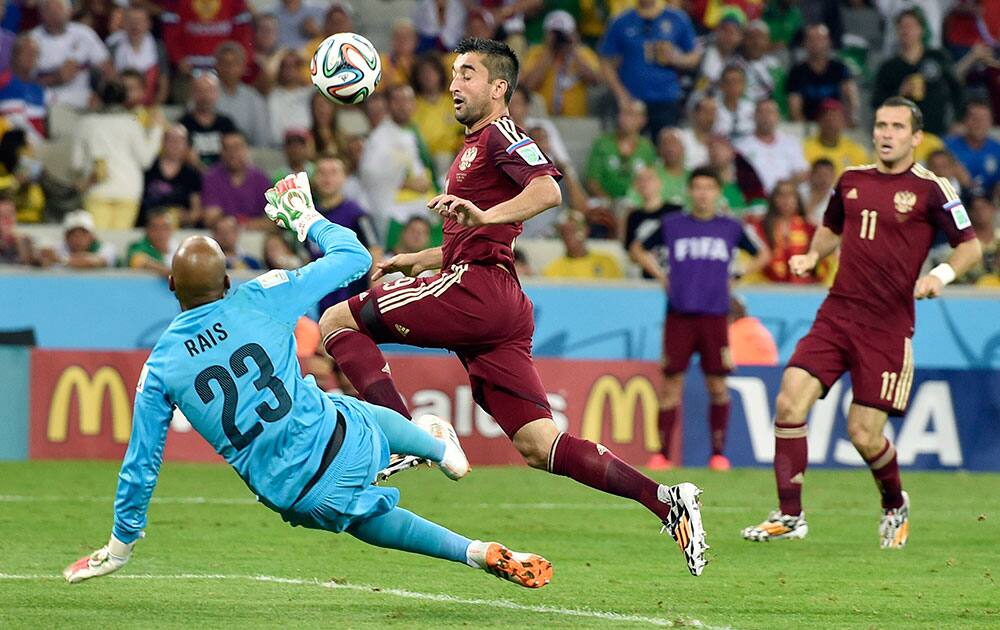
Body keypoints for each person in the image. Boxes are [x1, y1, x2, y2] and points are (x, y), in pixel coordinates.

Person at [319, 37, 707, 576]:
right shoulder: (472, 146)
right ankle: (665, 499)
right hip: (492, 297)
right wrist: (422, 257)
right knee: (539, 444)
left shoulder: (502, 134)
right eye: (454, 74)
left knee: (337, 320)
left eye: (469, 75)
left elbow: (548, 191)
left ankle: (407, 434)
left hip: (477, 291)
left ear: (499, 88)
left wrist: (480, 217)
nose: (455, 85)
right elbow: (477, 233)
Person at [63, 173, 552, 589]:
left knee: (362, 517)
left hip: (296, 495)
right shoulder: (258, 296)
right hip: (340, 438)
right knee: (348, 408)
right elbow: (356, 259)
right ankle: (433, 444)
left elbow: (141, 465)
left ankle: (472, 550)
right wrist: (306, 219)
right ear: (226, 282)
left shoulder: (160, 366)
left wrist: (120, 545)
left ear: (172, 287)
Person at [742, 97, 983, 549]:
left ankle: (894, 502)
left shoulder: (934, 189)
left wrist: (939, 274)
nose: (887, 133)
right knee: (790, 400)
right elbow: (833, 226)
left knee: (863, 434)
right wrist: (815, 254)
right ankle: (789, 515)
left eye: (897, 126)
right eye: (880, 125)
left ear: (915, 137)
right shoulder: (851, 180)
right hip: (837, 313)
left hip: (888, 326)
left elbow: (970, 246)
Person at [632, 167, 770, 472]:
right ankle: (663, 455)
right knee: (671, 384)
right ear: (690, 191)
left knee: (717, 385)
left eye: (709, 187)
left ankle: (718, 454)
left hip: (715, 316)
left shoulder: (731, 227)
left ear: (718, 192)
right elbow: (638, 248)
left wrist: (737, 277)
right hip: (679, 314)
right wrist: (662, 276)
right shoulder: (672, 224)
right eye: (698, 187)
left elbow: (762, 254)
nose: (703, 193)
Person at [599, 0, 702, 139]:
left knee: (665, 148)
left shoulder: (677, 18)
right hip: (631, 101)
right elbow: (606, 61)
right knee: (630, 147)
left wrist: (676, 59)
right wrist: (621, 95)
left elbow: (695, 56)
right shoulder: (621, 20)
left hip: (666, 98)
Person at [71, 78, 164, 229]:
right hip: (127, 190)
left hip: (96, 190)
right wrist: (156, 130)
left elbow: (76, 163)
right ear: (124, 99)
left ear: (100, 97)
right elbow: (146, 160)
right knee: (120, 243)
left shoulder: (86, 123)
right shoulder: (132, 123)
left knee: (98, 242)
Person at [872, 9, 963, 137]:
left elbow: (957, 89)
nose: (906, 30)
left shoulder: (937, 57)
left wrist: (959, 120)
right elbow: (877, 103)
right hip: (902, 137)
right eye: (902, 27)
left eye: (910, 26)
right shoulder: (889, 67)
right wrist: (899, 93)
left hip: (936, 132)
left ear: (921, 30)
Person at [30, 0, 112, 110]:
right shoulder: (31, 39)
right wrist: (57, 78)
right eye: (49, 9)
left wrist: (101, 95)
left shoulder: (84, 33)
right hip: (46, 101)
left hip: (84, 98)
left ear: (69, 11)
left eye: (58, 9)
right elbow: (24, 81)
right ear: (41, 13)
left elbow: (107, 68)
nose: (54, 13)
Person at [520, 10, 602, 118]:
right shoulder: (536, 53)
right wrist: (549, 53)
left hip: (575, 121)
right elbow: (528, 85)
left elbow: (596, 80)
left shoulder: (583, 54)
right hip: (543, 120)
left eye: (563, 33)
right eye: (555, 34)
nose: (559, 38)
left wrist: (573, 51)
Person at [786, 24, 859, 123]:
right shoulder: (796, 72)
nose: (815, 43)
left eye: (820, 39)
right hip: (807, 126)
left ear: (828, 42)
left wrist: (848, 120)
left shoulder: (840, 69)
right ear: (804, 43)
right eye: (811, 39)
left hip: (836, 126)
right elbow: (794, 107)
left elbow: (851, 99)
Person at [734, 98, 809, 194]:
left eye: (770, 112)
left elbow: (802, 173)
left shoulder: (791, 143)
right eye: (761, 112)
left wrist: (782, 189)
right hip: (755, 199)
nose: (766, 116)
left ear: (778, 116)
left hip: (786, 197)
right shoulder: (741, 147)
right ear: (754, 116)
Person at [200, 131, 272, 228]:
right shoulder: (211, 178)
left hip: (255, 236)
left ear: (246, 149)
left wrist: (240, 224)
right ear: (221, 152)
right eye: (227, 148)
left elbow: (273, 221)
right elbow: (210, 219)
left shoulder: (261, 179)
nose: (232, 153)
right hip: (222, 236)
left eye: (237, 147)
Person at [141, 124, 203, 227]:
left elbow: (195, 211)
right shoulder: (148, 168)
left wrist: (187, 217)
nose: (174, 143)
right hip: (147, 226)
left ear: (186, 145)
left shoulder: (191, 174)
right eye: (170, 139)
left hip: (179, 229)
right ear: (162, 142)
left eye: (180, 140)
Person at [179, 73, 239, 168]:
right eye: (200, 91)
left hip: (223, 177)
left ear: (217, 94)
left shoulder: (226, 124)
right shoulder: (183, 125)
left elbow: (237, 153)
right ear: (192, 93)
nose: (205, 96)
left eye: (209, 91)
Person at [944, 100, 1000, 196]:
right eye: (974, 119)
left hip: (988, 203)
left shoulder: (997, 149)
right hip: (955, 200)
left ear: (991, 122)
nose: (979, 124)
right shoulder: (947, 147)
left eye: (984, 119)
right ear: (964, 121)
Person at [802, 99, 871, 177]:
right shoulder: (804, 149)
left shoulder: (856, 151)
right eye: (827, 118)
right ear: (819, 121)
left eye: (836, 118)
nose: (831, 123)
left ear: (844, 122)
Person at [543, 217, 624, 280]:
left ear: (586, 231)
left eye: (574, 230)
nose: (569, 236)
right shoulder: (553, 269)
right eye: (565, 232)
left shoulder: (608, 262)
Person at [38, 209, 116, 269]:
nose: (78, 238)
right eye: (73, 234)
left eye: (83, 233)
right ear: (66, 237)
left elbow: (94, 262)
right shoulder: (58, 248)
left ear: (92, 236)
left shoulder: (106, 248)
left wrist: (59, 260)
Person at [124, 207, 176, 276]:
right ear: (147, 230)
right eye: (155, 228)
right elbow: (139, 261)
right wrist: (166, 271)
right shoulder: (138, 246)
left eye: (165, 227)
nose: (161, 233)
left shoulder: (178, 248)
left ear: (172, 229)